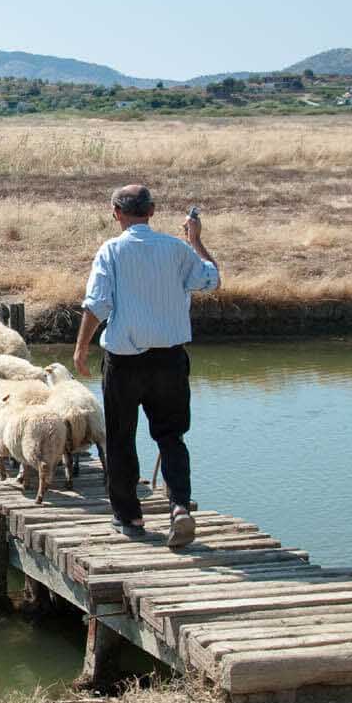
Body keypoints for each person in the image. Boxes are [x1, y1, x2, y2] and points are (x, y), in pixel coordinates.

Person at [72, 184, 220, 549]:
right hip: (170, 359)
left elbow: (98, 305)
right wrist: (196, 239)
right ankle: (179, 507)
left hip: (124, 362)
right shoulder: (177, 249)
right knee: (171, 437)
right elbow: (211, 279)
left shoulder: (111, 251)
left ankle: (130, 517)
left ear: (115, 213)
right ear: (152, 211)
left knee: (121, 437)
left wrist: (80, 349)